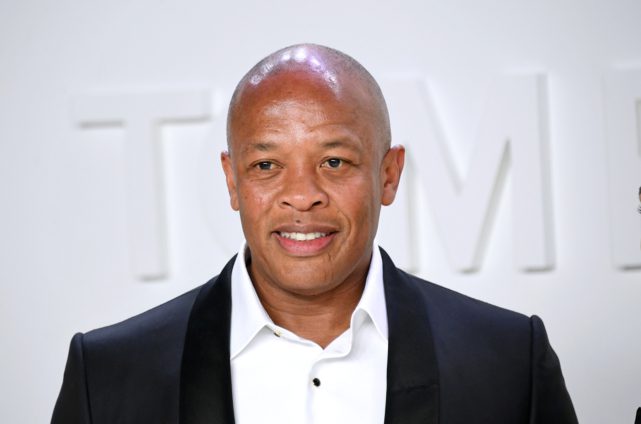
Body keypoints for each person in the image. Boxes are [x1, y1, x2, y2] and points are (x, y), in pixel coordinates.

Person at [52, 44, 578, 424]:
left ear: (388, 175)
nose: (302, 196)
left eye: (334, 161)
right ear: (232, 181)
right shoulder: (108, 375)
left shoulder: (511, 362)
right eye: (266, 166)